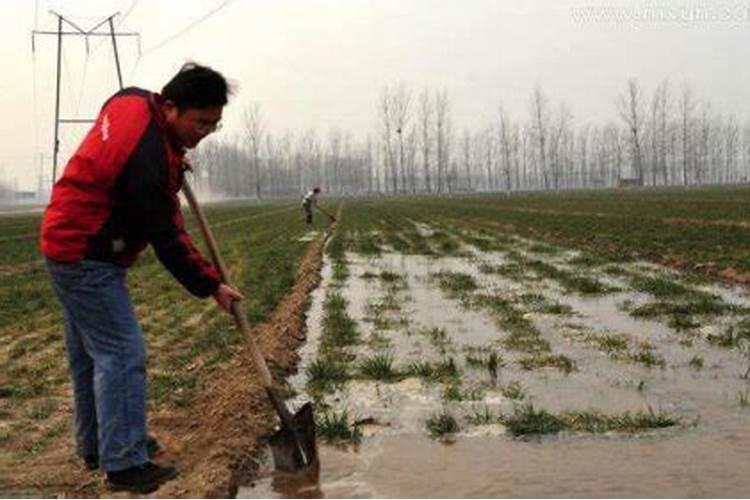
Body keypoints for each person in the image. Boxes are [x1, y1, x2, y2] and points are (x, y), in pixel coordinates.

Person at [40, 63, 243, 494]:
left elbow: (123, 110)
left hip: (65, 240)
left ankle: (99, 444)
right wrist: (212, 286)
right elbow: (167, 238)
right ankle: (126, 462)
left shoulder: (133, 100)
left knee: (90, 356)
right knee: (122, 353)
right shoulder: (149, 160)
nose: (205, 131)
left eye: (214, 124)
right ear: (170, 107)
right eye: (200, 122)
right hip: (87, 254)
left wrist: (173, 155)